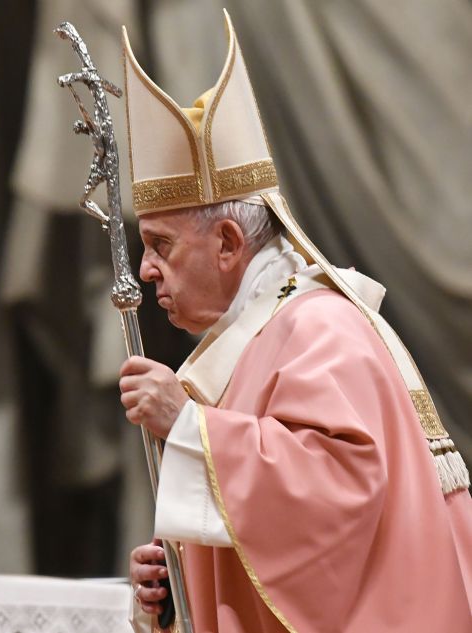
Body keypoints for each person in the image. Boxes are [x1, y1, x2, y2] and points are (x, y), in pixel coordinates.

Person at [118, 11, 472, 633]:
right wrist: (179, 582)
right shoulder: (246, 340)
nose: (146, 271)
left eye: (161, 245)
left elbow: (342, 496)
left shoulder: (319, 329)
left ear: (228, 241)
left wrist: (189, 425)